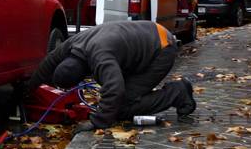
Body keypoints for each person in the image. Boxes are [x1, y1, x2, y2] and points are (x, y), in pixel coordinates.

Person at [27, 21, 196, 133]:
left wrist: (97, 122)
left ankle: (177, 93)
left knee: (121, 107)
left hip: (161, 49)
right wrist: (26, 91)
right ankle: (175, 92)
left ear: (84, 76)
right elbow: (48, 64)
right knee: (116, 94)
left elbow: (115, 91)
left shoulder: (100, 57)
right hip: (149, 35)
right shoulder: (73, 43)